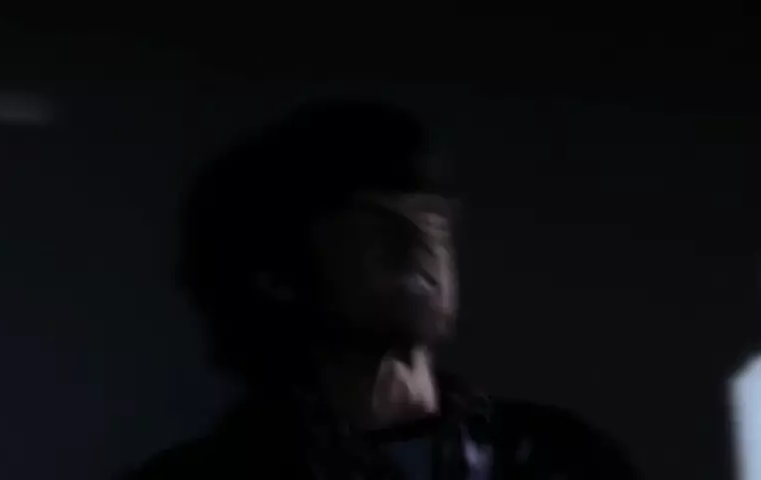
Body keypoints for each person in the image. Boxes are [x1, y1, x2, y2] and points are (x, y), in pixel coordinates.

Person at [126, 100, 638, 480]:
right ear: (275, 274)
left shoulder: (560, 459)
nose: (420, 241)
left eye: (433, 217)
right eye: (372, 221)